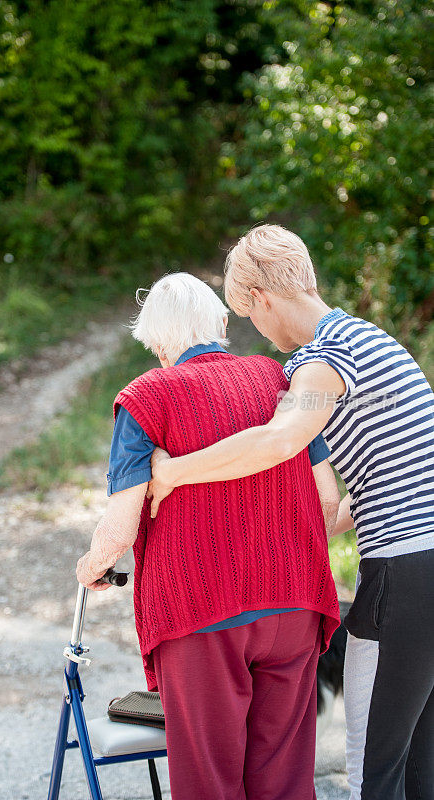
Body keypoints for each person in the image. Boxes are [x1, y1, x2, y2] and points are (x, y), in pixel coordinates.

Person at [147, 225, 434, 800]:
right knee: (418, 773)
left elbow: (280, 439)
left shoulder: (323, 359)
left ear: (261, 298)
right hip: (425, 567)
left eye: (248, 316)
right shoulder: (372, 341)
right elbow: (393, 480)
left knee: (372, 773)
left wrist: (175, 471)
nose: (258, 332)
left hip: (402, 579)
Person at [76, 272, 340, 800]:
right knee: (286, 776)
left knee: (209, 778)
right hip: (294, 603)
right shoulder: (276, 378)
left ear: (155, 340)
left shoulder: (146, 398)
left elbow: (122, 524)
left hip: (200, 613)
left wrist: (91, 565)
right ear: (221, 323)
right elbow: (327, 498)